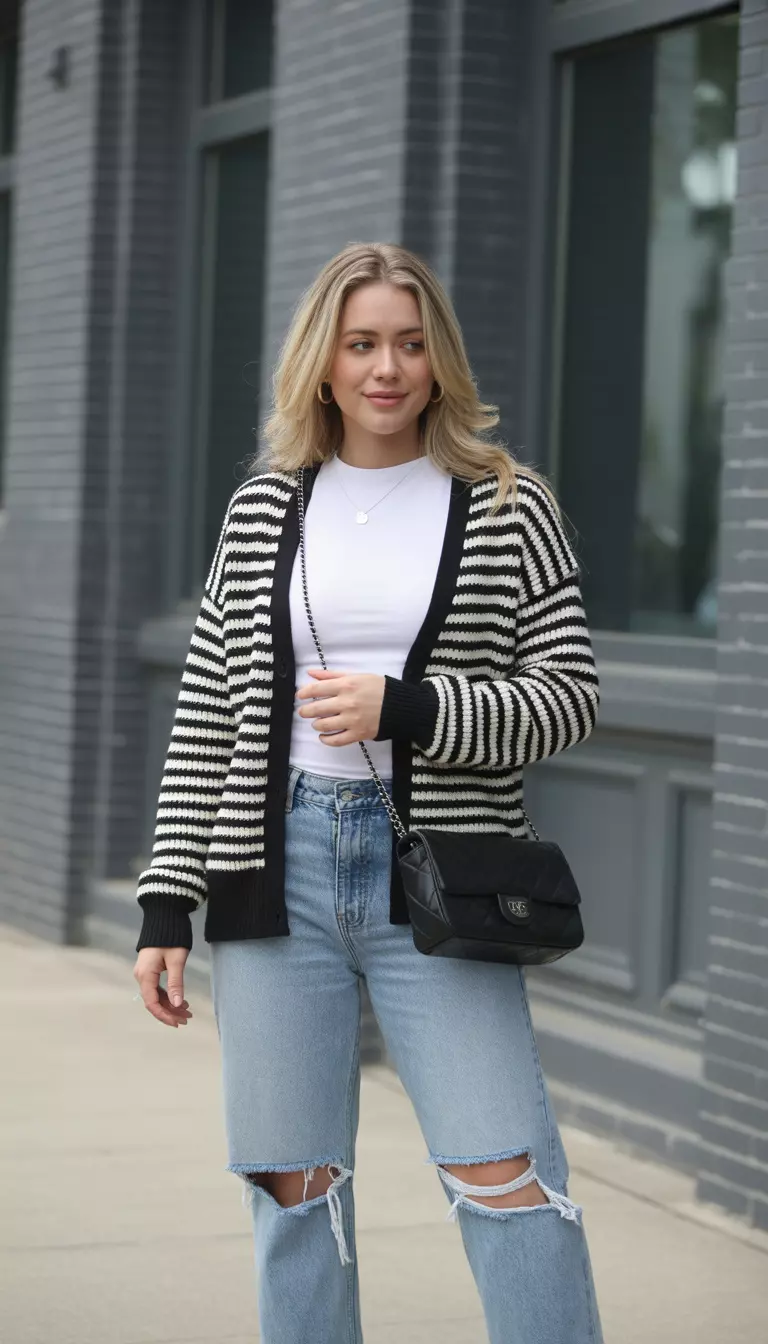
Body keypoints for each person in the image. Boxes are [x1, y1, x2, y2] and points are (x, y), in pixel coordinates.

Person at [133, 241, 604, 1343]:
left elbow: (570, 697)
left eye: (407, 343)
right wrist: (167, 900)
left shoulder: (506, 504)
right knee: (295, 1190)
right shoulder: (262, 509)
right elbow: (206, 715)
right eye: (361, 344)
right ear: (325, 363)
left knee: (506, 1175)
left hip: (438, 882)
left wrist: (414, 710)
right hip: (274, 868)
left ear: (438, 361)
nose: (386, 367)